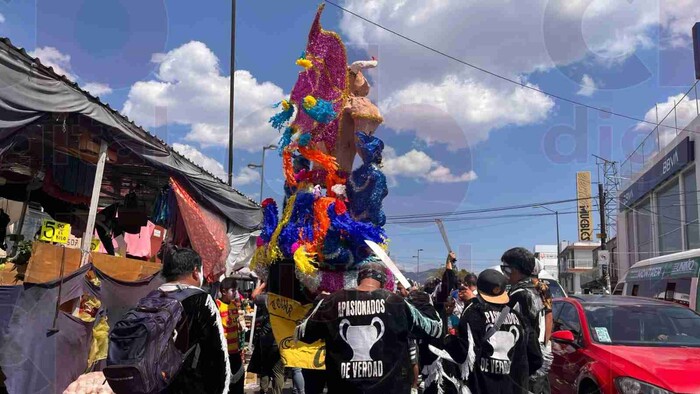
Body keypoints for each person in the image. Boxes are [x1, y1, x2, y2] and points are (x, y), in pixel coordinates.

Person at [295, 262, 443, 393]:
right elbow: (435, 328)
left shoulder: (332, 302)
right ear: (384, 282)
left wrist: (319, 302)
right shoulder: (397, 303)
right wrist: (421, 300)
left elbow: (301, 333)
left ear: (359, 278)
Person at [444, 269, 543, 394]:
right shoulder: (519, 317)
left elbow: (462, 356)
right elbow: (536, 358)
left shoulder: (473, 314)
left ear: (479, 290)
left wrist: (448, 339)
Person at [159, 246, 231, 394]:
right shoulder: (201, 299)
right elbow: (218, 352)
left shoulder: (154, 295)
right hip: (188, 385)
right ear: (195, 272)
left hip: (153, 384)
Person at [501, 248, 551, 394]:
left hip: (525, 366)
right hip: (536, 362)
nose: (505, 274)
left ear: (515, 270)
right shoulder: (536, 290)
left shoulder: (519, 294)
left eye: (506, 268)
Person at [247, 281, 285, 394]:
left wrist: (264, 284)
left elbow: (253, 296)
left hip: (266, 339)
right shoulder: (286, 300)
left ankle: (263, 391)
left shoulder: (266, 298)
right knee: (278, 372)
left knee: (265, 369)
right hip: (279, 339)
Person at [217, 277, 245, 393]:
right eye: (233, 291)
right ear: (224, 292)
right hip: (223, 353)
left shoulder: (234, 305)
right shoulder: (216, 305)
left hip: (235, 351)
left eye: (236, 290)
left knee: (239, 380)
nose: (235, 293)